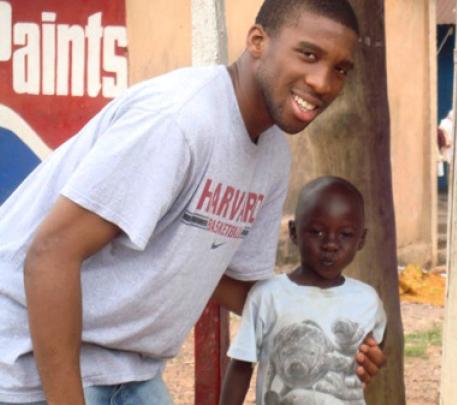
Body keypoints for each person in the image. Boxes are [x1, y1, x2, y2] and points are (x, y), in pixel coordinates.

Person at [0, 1, 385, 404]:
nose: (323, 82)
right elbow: (50, 254)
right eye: (308, 54)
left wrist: (334, 332)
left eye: (340, 69)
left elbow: (233, 283)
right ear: (257, 41)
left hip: (128, 370)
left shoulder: (272, 153)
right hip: (24, 366)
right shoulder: (180, 121)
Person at [220, 176, 386, 405]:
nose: (330, 243)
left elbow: (374, 354)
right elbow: (240, 366)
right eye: (317, 232)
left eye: (345, 234)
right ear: (294, 232)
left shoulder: (367, 300)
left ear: (361, 239)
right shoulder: (268, 296)